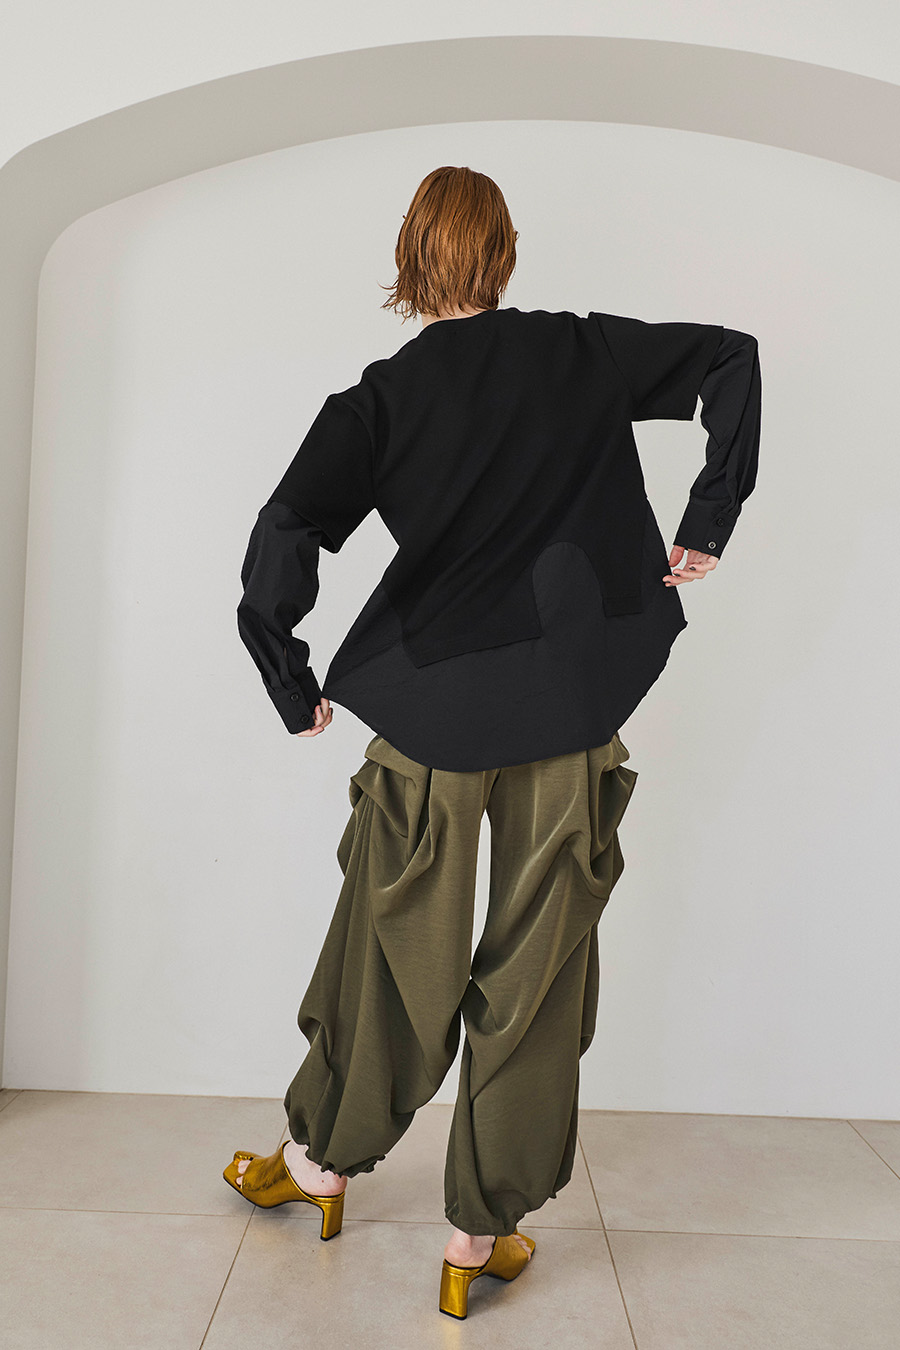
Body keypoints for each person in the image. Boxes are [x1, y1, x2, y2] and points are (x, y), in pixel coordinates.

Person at [227, 165, 762, 1319]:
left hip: (433, 712)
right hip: (568, 710)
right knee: (538, 964)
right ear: (505, 252)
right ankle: (476, 1236)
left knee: (389, 943)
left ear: (409, 258)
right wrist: (707, 519)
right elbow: (731, 357)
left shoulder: (379, 401)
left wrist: (290, 676)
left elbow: (285, 527)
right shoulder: (580, 351)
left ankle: (319, 1165)